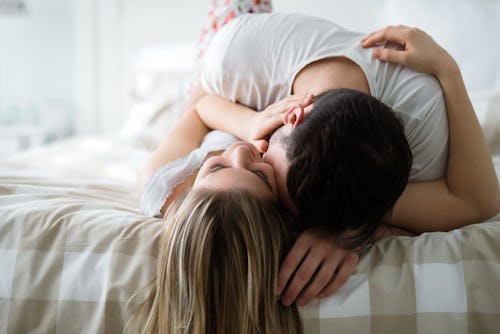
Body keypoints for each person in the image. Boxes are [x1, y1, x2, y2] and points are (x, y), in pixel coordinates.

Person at [141, 5, 500, 307]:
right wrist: (249, 120)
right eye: (263, 172)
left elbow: (477, 203)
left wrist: (344, 232)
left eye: (217, 163)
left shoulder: (391, 145)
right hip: (235, 66)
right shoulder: (241, 54)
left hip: (259, 58)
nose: (245, 151)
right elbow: (199, 103)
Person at [126, 188, 303, 334]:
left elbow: (181, 143)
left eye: (216, 167)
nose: (240, 151)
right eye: (261, 175)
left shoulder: (164, 192)